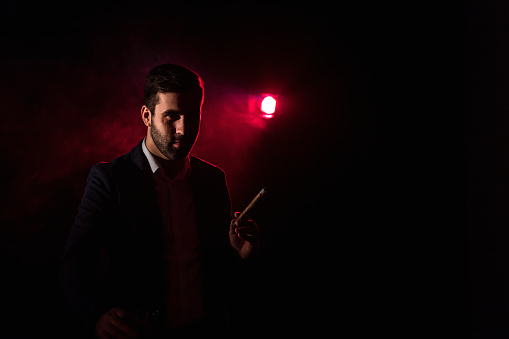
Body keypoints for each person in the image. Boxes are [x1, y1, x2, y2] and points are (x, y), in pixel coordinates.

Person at [59, 64, 260, 338]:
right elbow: (75, 264)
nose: (183, 129)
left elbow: (218, 275)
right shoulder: (111, 179)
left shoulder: (212, 179)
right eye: (171, 116)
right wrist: (97, 316)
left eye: (192, 116)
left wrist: (239, 255)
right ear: (146, 115)